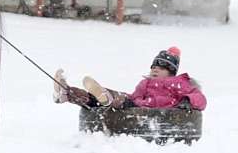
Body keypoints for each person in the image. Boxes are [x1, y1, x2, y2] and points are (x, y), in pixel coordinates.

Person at [53, 47, 207, 111]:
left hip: (157, 111)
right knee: (101, 98)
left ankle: (106, 98)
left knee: (115, 100)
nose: (154, 69)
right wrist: (137, 101)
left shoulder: (180, 83)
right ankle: (67, 93)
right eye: (153, 66)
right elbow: (136, 96)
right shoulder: (145, 82)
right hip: (137, 105)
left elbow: (200, 98)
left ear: (171, 72)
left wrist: (188, 101)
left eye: (160, 68)